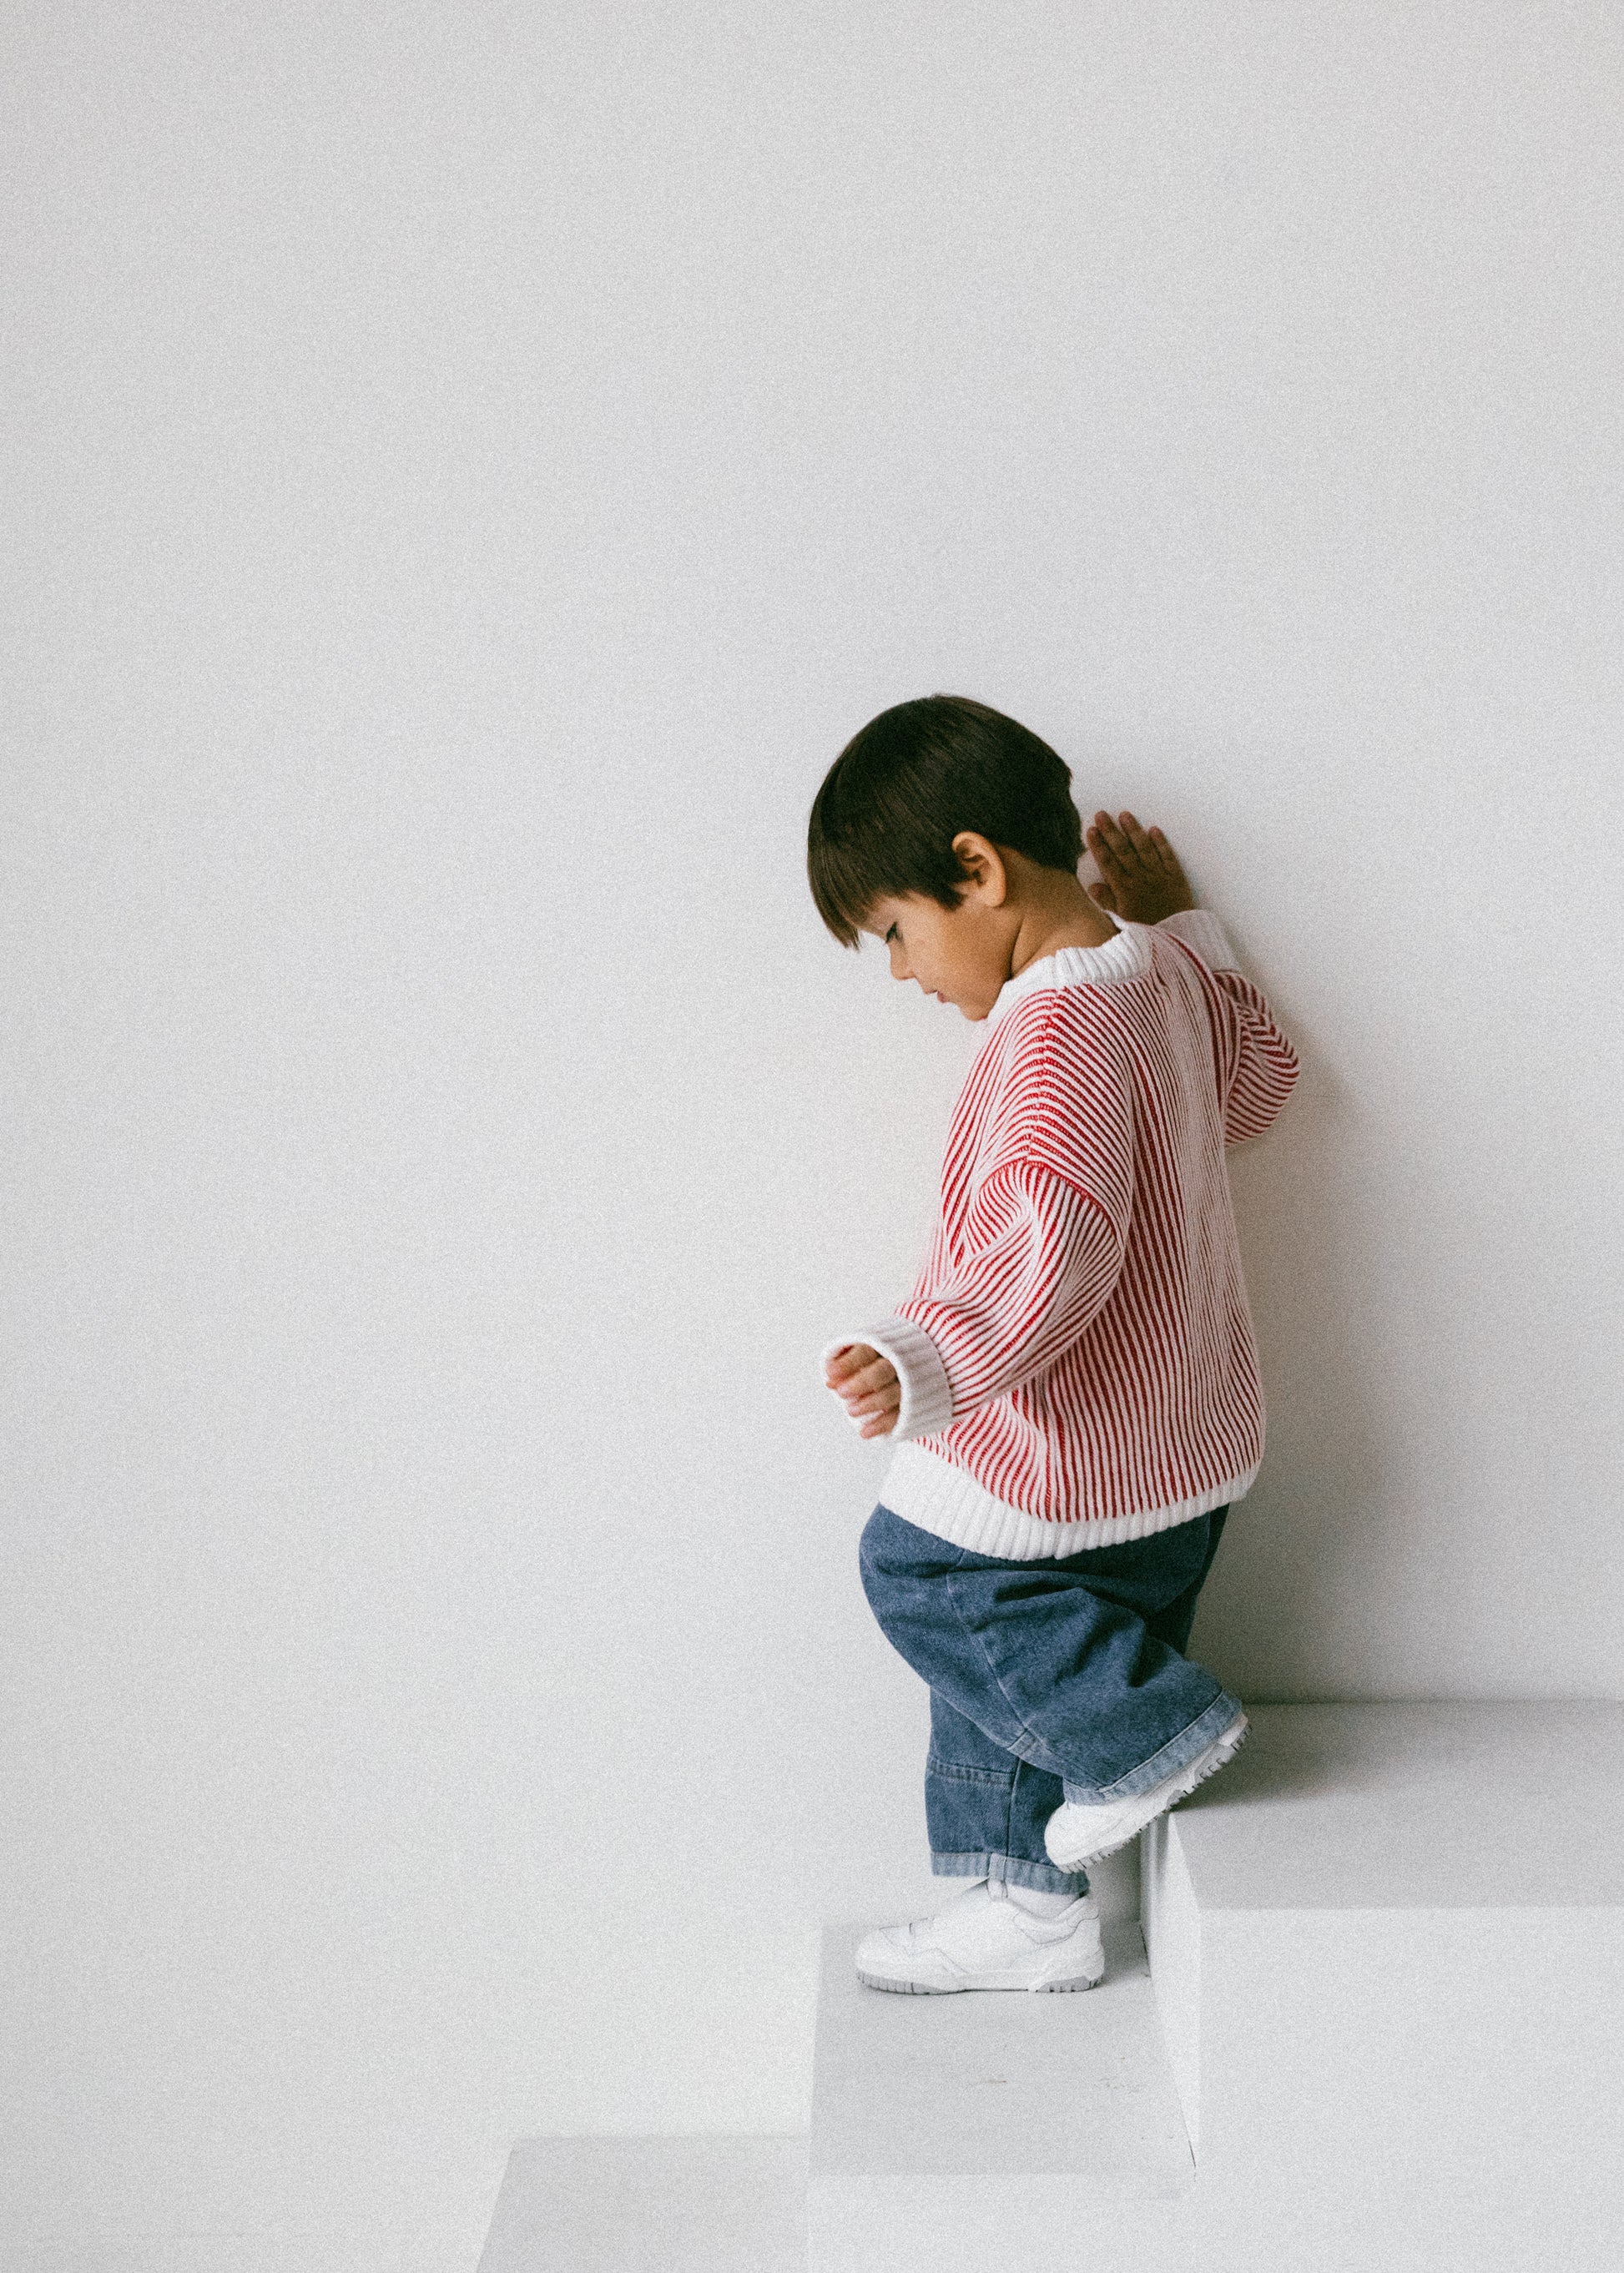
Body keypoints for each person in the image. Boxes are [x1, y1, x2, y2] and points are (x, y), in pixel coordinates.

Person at [808, 694, 1300, 1994]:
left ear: (975, 870)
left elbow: (1055, 1235)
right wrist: (1186, 924)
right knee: (1015, 1660)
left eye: (896, 933)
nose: (903, 974)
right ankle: (1030, 1908)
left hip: (1073, 1453)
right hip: (1178, 1456)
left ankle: (1145, 1734)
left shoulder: (1056, 1029)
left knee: (921, 1569)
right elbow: (1258, 1084)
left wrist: (926, 1359)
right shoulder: (1156, 977)